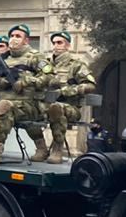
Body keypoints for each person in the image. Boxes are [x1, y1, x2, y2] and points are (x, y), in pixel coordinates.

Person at [0, 25, 53, 166]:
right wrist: (0, 81)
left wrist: (26, 81)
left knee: (4, 106)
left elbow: (49, 78)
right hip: (5, 103)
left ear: (26, 40)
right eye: (12, 36)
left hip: (29, 106)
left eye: (18, 36)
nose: (14, 39)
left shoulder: (35, 57)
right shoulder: (2, 59)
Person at [32, 31, 96, 164]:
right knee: (27, 110)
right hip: (45, 105)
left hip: (70, 108)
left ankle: (57, 148)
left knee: (56, 108)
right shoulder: (45, 64)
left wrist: (66, 91)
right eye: (54, 43)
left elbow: (90, 85)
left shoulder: (76, 65)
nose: (56, 46)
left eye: (59, 42)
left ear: (67, 45)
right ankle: (41, 148)